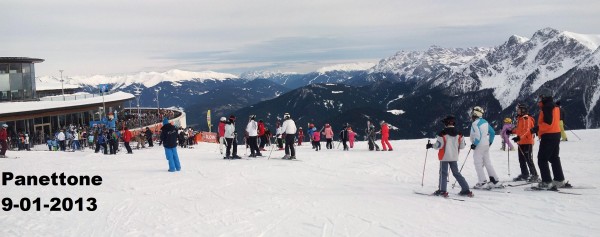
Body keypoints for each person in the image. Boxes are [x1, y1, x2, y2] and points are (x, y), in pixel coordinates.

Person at [426, 115, 473, 197]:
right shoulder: (459, 134)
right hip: (454, 156)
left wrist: (431, 146)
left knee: (443, 173)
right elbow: (462, 146)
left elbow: (438, 146)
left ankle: (442, 190)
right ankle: (466, 189)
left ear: (446, 123)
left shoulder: (442, 133)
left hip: (444, 156)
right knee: (456, 173)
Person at [533, 88, 567, 189]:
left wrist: (537, 128)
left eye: (540, 98)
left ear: (544, 97)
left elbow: (548, 123)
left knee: (542, 159)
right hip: (556, 134)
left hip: (548, 135)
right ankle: (559, 180)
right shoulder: (555, 106)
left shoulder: (547, 107)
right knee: (554, 157)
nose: (539, 100)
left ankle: (546, 182)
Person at [469, 106, 501, 189]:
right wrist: (490, 142)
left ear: (475, 114)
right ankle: (495, 180)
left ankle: (482, 182)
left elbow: (478, 135)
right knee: (487, 162)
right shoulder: (485, 122)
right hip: (486, 144)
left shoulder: (475, 123)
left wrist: (474, 144)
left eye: (472, 113)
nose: (471, 115)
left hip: (479, 146)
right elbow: (492, 132)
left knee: (478, 163)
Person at [511, 104, 539, 182]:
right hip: (521, 142)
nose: (517, 111)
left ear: (523, 110)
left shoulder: (526, 118)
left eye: (519, 109)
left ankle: (534, 175)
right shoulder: (520, 119)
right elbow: (519, 130)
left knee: (528, 159)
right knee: (521, 159)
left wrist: (519, 137)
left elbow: (526, 130)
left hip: (527, 141)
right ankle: (525, 174)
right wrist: (511, 131)